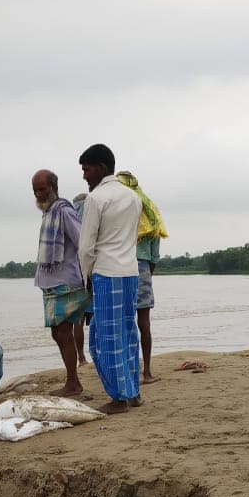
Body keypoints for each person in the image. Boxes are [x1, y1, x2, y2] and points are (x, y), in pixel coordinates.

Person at [77, 143, 142, 414]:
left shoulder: (96, 199)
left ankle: (119, 398)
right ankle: (133, 392)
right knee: (127, 333)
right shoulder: (133, 197)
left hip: (106, 272)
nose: (84, 175)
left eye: (87, 169)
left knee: (103, 338)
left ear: (101, 168)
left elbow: (86, 246)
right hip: (130, 272)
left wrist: (86, 278)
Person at [32, 169, 88, 396]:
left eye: (42, 189)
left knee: (63, 332)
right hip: (52, 283)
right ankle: (72, 380)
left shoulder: (64, 211)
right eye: (35, 190)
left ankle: (73, 383)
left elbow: (81, 241)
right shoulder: (48, 212)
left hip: (66, 282)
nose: (38, 194)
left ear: (54, 187)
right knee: (57, 333)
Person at [116, 171, 168, 384]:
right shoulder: (149, 209)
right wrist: (148, 269)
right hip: (143, 267)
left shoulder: (118, 208)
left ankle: (126, 371)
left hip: (119, 267)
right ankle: (146, 372)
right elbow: (155, 250)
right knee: (143, 322)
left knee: (121, 322)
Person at [72, 192, 91, 367]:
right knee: (97, 318)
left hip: (74, 277)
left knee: (78, 320)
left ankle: (81, 358)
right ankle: (94, 353)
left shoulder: (71, 221)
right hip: (92, 273)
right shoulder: (91, 218)